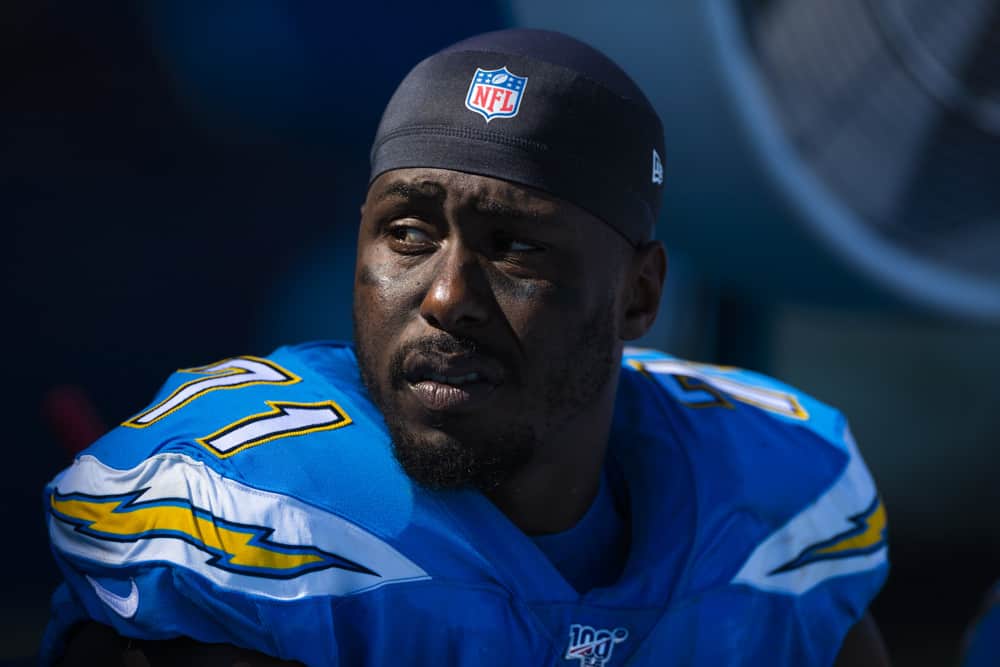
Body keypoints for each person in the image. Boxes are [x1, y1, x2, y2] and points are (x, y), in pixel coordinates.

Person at [42, 29, 890, 666]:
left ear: (639, 295)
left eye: (516, 246)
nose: (447, 298)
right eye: (408, 233)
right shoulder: (262, 526)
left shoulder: (779, 499)